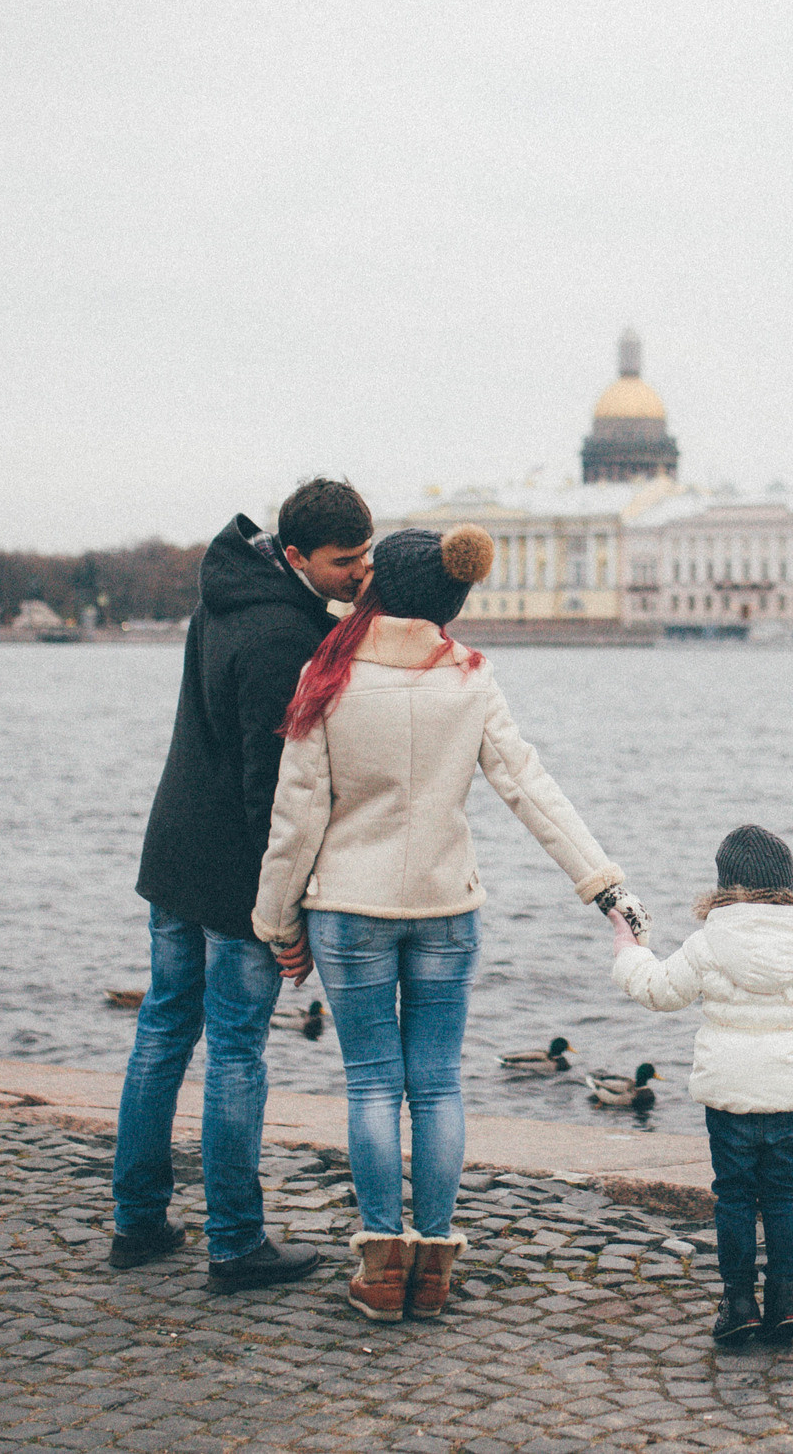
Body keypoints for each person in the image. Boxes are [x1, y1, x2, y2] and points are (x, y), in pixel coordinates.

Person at [252, 523, 649, 1324]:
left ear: (379, 589)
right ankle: (432, 1264)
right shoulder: (470, 678)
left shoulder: (327, 673)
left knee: (371, 1081)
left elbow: (296, 818)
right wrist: (605, 885)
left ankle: (379, 1263)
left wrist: (275, 921)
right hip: (446, 908)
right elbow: (532, 791)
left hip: (348, 909)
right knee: (436, 1084)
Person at [110, 477, 371, 1291]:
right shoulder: (278, 639)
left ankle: (138, 1222)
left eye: (367, 552)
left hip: (174, 851)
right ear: (296, 556)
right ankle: (234, 1242)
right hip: (232, 873)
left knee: (160, 1032)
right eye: (345, 561)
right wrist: (282, 917)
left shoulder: (227, 592)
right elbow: (274, 793)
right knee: (234, 1051)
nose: (361, 571)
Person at [610, 824, 793, 1348]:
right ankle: (787, 1299)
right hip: (791, 1098)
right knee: (783, 1194)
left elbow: (659, 991)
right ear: (787, 885)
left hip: (731, 1100)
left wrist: (628, 950)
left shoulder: (708, 944)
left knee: (734, 1198)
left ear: (725, 886)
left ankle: (740, 1303)